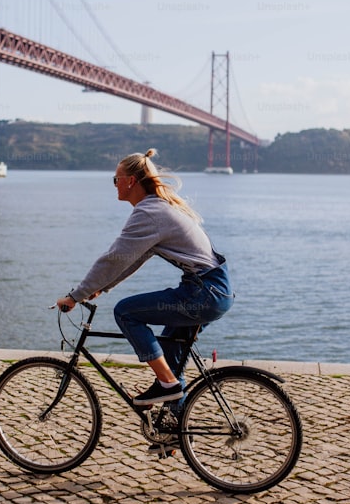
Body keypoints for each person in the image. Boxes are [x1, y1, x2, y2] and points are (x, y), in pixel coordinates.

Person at [56, 149, 234, 407]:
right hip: (213, 290)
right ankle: (175, 434)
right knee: (170, 365)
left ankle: (168, 385)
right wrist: (102, 287)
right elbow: (132, 259)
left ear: (131, 181)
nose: (115, 184)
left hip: (204, 292)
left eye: (116, 179)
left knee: (126, 312)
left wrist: (76, 296)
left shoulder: (148, 213)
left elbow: (114, 258)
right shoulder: (157, 208)